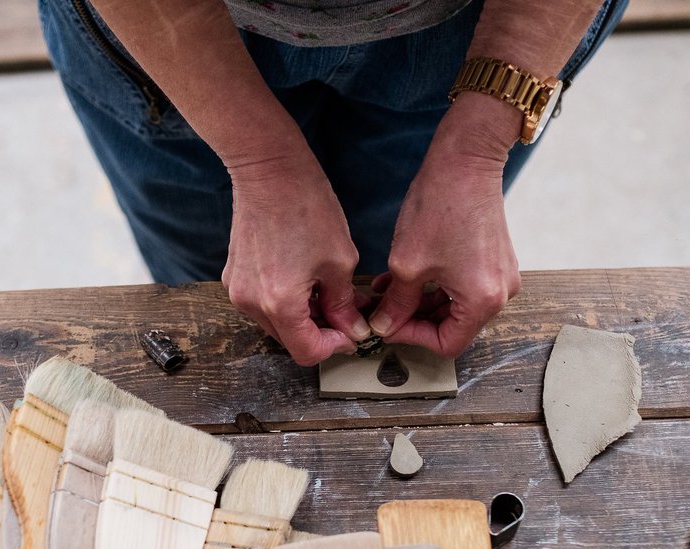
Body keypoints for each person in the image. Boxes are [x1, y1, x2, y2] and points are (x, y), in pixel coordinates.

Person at [40, 0, 627, 365]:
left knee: (395, 275)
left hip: (479, 30)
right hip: (168, 32)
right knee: (225, 297)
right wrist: (259, 162)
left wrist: (477, 148)